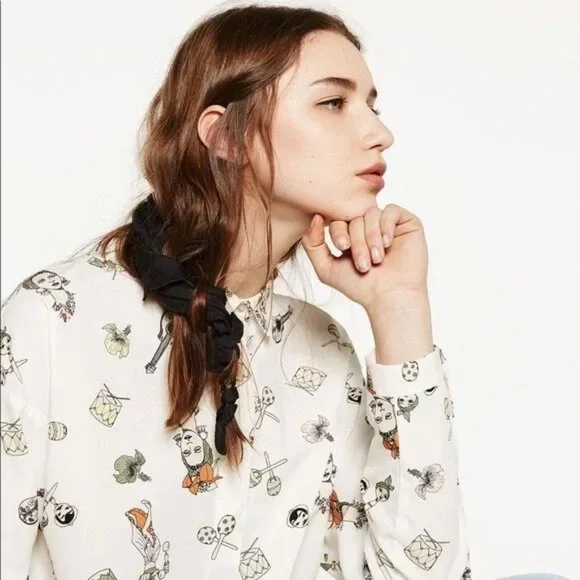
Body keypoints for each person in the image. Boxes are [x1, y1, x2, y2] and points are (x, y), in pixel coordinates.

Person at [1, 3, 474, 579]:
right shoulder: (54, 319)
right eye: (333, 102)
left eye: (372, 105)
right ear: (227, 135)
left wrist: (400, 309)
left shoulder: (320, 347)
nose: (380, 133)